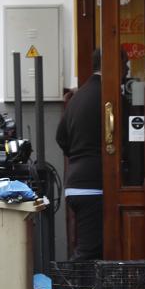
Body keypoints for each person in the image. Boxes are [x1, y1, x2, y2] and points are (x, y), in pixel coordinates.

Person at [55, 48, 104, 261]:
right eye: (126, 64)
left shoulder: (77, 96)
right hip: (92, 184)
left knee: (88, 244)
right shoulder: (107, 95)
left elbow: (60, 137)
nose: (127, 70)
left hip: (76, 181)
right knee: (89, 250)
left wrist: (76, 156)